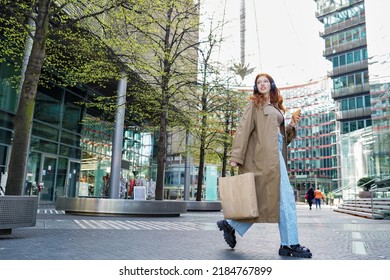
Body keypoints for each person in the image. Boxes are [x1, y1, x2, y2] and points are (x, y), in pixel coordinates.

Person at [217, 73, 312, 258]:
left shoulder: (275, 107)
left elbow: (281, 138)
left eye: (265, 81)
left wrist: (291, 124)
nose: (262, 84)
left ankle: (231, 224)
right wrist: (236, 156)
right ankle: (289, 244)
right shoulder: (255, 104)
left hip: (276, 158)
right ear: (256, 86)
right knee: (284, 199)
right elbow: (243, 129)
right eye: (258, 82)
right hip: (262, 159)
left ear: (272, 85)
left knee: (265, 201)